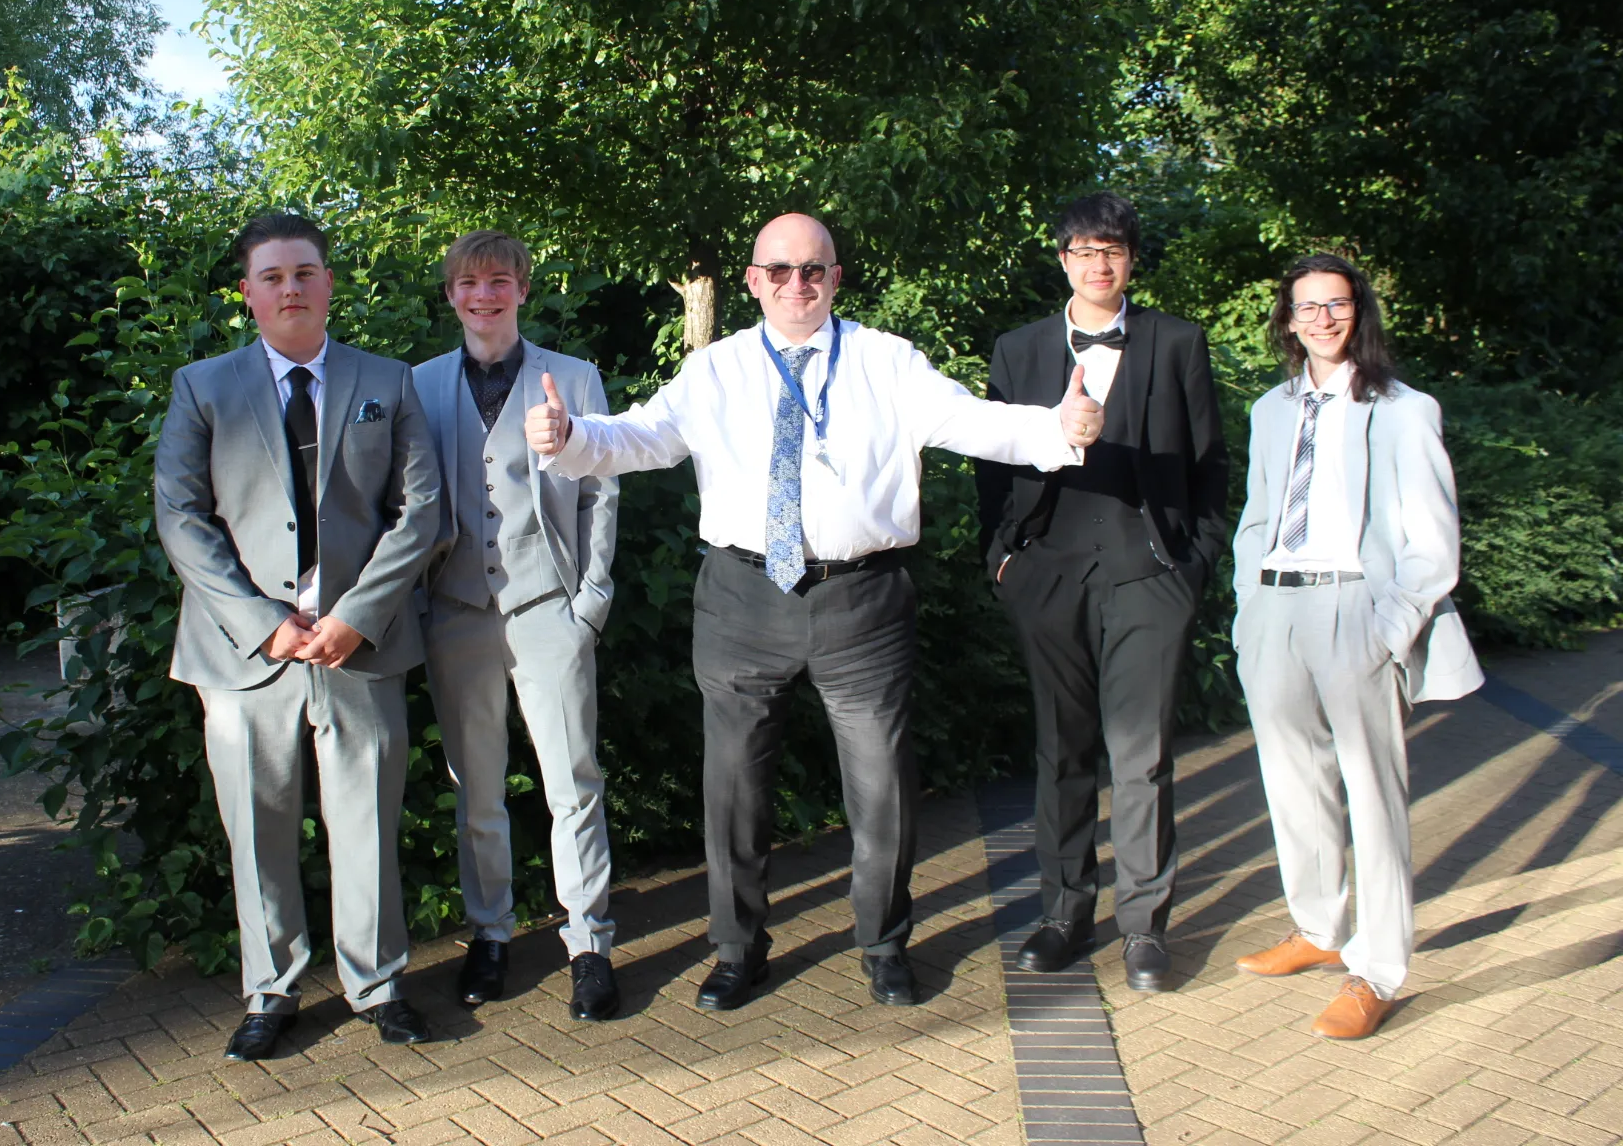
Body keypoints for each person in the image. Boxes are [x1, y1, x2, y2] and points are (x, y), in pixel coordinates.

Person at [528, 213, 1104, 1010]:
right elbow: (641, 437)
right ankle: (737, 951)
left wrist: (1060, 430)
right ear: (753, 280)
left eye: (813, 270)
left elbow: (975, 420)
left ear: (835, 278)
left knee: (882, 787)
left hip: (861, 599)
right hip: (741, 598)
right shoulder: (716, 368)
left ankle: (885, 945)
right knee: (734, 790)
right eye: (780, 270)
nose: (797, 284)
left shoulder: (887, 361)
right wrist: (568, 437)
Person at [153, 213, 442, 1058]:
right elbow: (181, 518)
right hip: (245, 654)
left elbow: (420, 510)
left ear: (328, 283)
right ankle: (271, 990)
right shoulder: (202, 387)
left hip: (360, 645)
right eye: (272, 277)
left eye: (304, 273)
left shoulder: (388, 381)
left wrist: (357, 615)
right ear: (247, 293)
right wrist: (262, 623)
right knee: (258, 830)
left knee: (368, 824)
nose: (290, 289)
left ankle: (378, 985)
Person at [975, 191, 1229, 992]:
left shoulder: (1177, 341)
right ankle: (1064, 914)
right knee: (1062, 749)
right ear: (1063, 260)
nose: (1098, 264)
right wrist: (1002, 560)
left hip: (1148, 572)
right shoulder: (1017, 349)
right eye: (1083, 251)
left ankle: (1144, 926)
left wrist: (1195, 562)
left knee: (1142, 753)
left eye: (1112, 250)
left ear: (1131, 260)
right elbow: (991, 467)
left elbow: (1210, 462)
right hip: (1047, 571)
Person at [1231, 252, 1481, 1039]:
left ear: (1358, 310)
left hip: (1356, 608)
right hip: (1275, 607)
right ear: (1288, 319)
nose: (1322, 319)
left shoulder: (1404, 410)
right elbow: (1258, 513)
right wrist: (1247, 605)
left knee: (1373, 792)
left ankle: (1376, 971)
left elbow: (1433, 541)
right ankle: (1317, 929)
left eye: (1335, 304)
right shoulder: (1270, 409)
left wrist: (1390, 628)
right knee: (1291, 777)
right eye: (1307, 306)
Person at [413, 230, 622, 1022]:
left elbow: (602, 490)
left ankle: (589, 943)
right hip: (456, 613)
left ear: (523, 290)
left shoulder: (573, 377)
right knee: (477, 789)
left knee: (573, 782)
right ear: (451, 295)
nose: (484, 295)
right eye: (469, 283)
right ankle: (490, 933)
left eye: (499, 280)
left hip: (548, 607)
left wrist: (589, 602)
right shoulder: (418, 385)